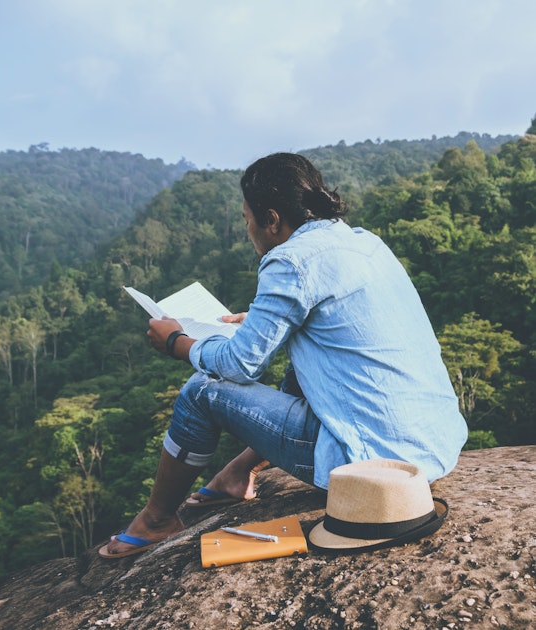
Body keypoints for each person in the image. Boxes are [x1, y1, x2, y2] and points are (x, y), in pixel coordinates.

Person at [98, 152, 467, 559]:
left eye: (247, 219)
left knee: (202, 390)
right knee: (306, 354)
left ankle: (156, 520)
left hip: (371, 463)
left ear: (271, 219)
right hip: (431, 446)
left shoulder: (290, 259)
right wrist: (257, 324)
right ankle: (238, 473)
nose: (248, 229)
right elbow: (335, 334)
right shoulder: (362, 241)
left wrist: (178, 343)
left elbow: (241, 365)